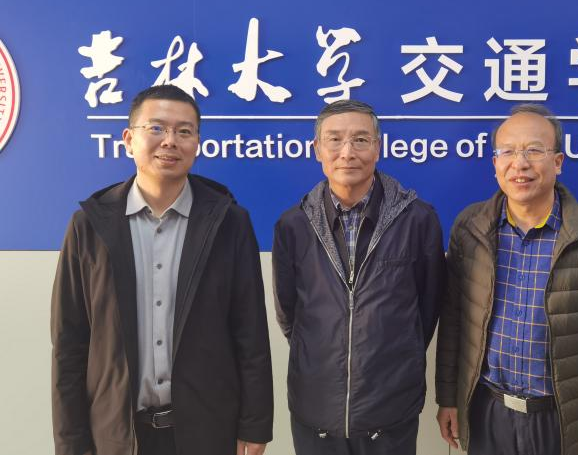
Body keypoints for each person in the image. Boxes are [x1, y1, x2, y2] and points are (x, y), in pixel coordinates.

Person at [51, 85, 273, 455]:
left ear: (197, 143)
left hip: (206, 431)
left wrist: (254, 425)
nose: (170, 141)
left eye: (184, 131)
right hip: (117, 434)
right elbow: (69, 344)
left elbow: (250, 333)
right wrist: (71, 443)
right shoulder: (89, 226)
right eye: (156, 128)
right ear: (129, 139)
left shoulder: (228, 222)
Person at [435, 103, 578, 455]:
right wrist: (448, 398)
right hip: (487, 413)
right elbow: (454, 322)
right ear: (495, 164)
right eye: (507, 152)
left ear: (558, 162)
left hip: (563, 422)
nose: (520, 163)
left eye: (534, 150)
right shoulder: (470, 229)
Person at [272, 99, 446, 455]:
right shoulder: (293, 225)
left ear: (378, 148)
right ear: (317, 149)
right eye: (335, 140)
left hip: (391, 412)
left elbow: (426, 312)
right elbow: (289, 314)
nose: (347, 152)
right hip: (316, 409)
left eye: (361, 140)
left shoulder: (417, 220)